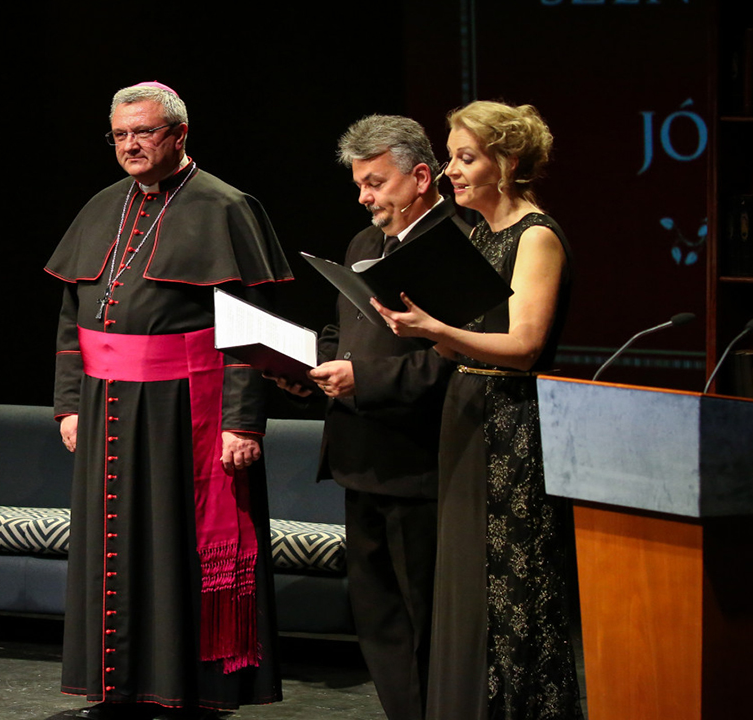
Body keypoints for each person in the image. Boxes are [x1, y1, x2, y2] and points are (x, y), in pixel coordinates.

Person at [46, 82, 292, 719]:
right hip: (106, 404)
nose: (130, 145)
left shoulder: (225, 206)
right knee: (112, 546)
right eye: (120, 134)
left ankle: (190, 691)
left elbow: (251, 326)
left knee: (172, 547)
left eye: (144, 132)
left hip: (187, 408)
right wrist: (69, 402)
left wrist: (242, 421)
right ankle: (118, 688)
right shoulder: (104, 205)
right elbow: (73, 313)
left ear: (179, 135)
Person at [373, 101, 583, 719]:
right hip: (469, 408)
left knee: (510, 583)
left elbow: (523, 346)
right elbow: (466, 333)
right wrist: (417, 325)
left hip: (512, 422)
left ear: (508, 162)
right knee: (466, 583)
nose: (449, 173)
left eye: (466, 159)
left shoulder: (535, 235)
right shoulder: (480, 233)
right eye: (450, 158)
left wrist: (436, 327)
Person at [275, 115, 463, 720]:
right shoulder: (364, 244)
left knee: (425, 616)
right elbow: (341, 331)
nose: (365, 197)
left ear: (420, 176)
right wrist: (313, 371)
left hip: (418, 460)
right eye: (359, 184)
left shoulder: (455, 243)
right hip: (359, 455)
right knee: (378, 618)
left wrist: (365, 380)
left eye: (376, 183)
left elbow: (454, 364)